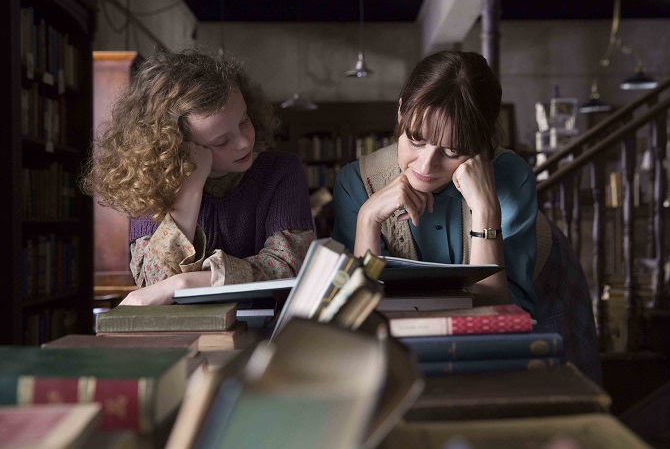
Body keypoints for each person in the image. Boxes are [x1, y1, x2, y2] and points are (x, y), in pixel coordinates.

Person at [81, 48, 315, 305]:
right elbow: (153, 282)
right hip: (181, 336)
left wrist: (185, 283)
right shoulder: (151, 184)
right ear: (178, 146)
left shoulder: (282, 171)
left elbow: (289, 269)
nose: (244, 142)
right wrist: (190, 189)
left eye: (243, 120)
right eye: (221, 141)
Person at [332, 51, 538, 314]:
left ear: (481, 142)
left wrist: (486, 212)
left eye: (452, 151)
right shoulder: (357, 182)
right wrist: (368, 219)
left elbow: (500, 315)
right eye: (416, 141)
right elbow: (358, 316)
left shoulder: (511, 178)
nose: (426, 166)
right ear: (400, 114)